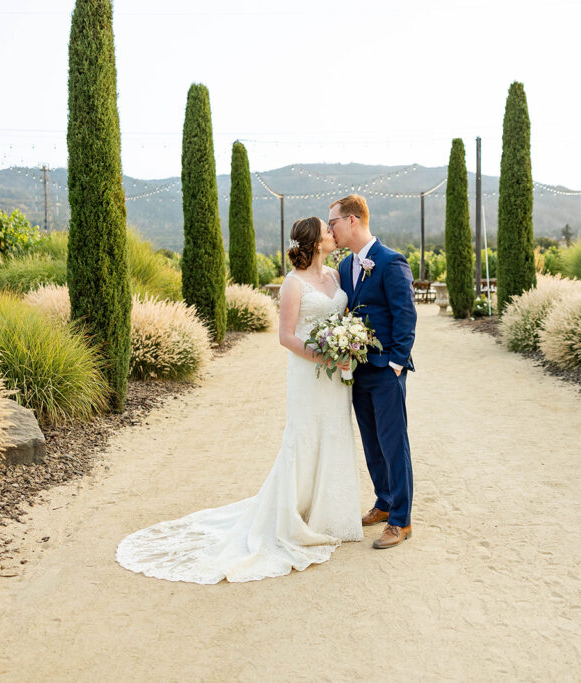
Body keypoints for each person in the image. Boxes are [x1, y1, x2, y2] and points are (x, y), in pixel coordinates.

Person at [116, 217, 362, 584]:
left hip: (334, 377)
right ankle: (293, 514)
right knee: (305, 435)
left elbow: (340, 317)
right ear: (314, 242)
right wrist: (324, 356)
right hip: (309, 375)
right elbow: (286, 337)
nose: (332, 233)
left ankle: (328, 514)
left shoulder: (336, 277)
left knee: (335, 432)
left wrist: (345, 346)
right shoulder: (293, 285)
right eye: (327, 231)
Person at [328, 194, 417, 549]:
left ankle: (402, 521)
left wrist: (395, 364)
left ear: (352, 221)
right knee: (371, 441)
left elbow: (405, 315)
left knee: (394, 442)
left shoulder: (391, 261)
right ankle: (384, 502)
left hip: (386, 371)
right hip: (357, 370)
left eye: (333, 222)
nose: (330, 229)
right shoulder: (345, 267)